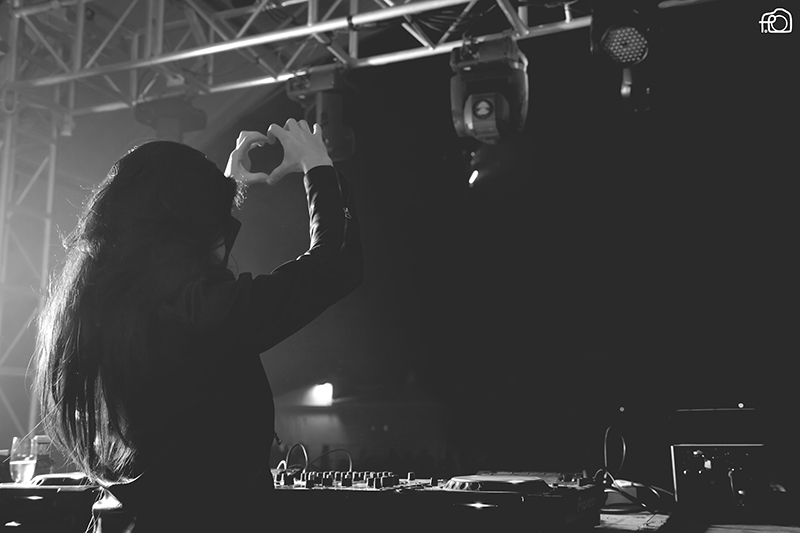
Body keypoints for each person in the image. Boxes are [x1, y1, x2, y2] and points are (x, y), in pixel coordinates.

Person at [33, 119, 363, 532]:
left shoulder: (103, 300)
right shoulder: (196, 313)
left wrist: (221, 192)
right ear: (191, 229)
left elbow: (195, 278)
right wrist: (318, 167)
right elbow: (337, 264)